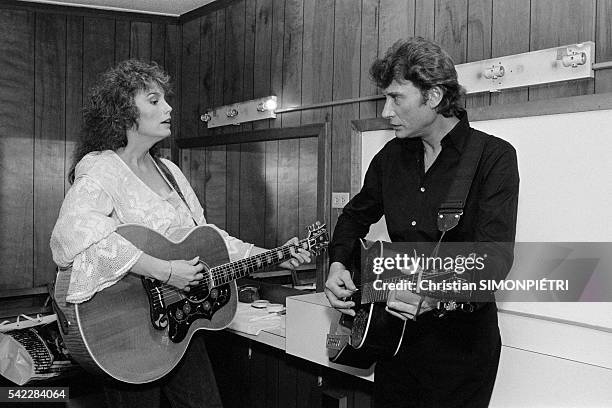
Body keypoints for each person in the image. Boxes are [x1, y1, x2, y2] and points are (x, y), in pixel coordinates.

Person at [50, 59, 311, 408]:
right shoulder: (102, 167)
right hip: (126, 334)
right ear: (123, 114)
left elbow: (208, 239)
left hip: (182, 326)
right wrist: (162, 270)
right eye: (154, 100)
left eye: (165, 99)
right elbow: (72, 234)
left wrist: (274, 253)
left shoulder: (170, 171)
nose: (169, 107)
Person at [324, 37, 519, 408]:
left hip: (459, 351)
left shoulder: (493, 157)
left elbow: (494, 260)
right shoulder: (390, 158)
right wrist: (336, 264)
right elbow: (353, 217)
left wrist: (433, 295)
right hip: (392, 340)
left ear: (432, 97)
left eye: (396, 98)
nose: (385, 111)